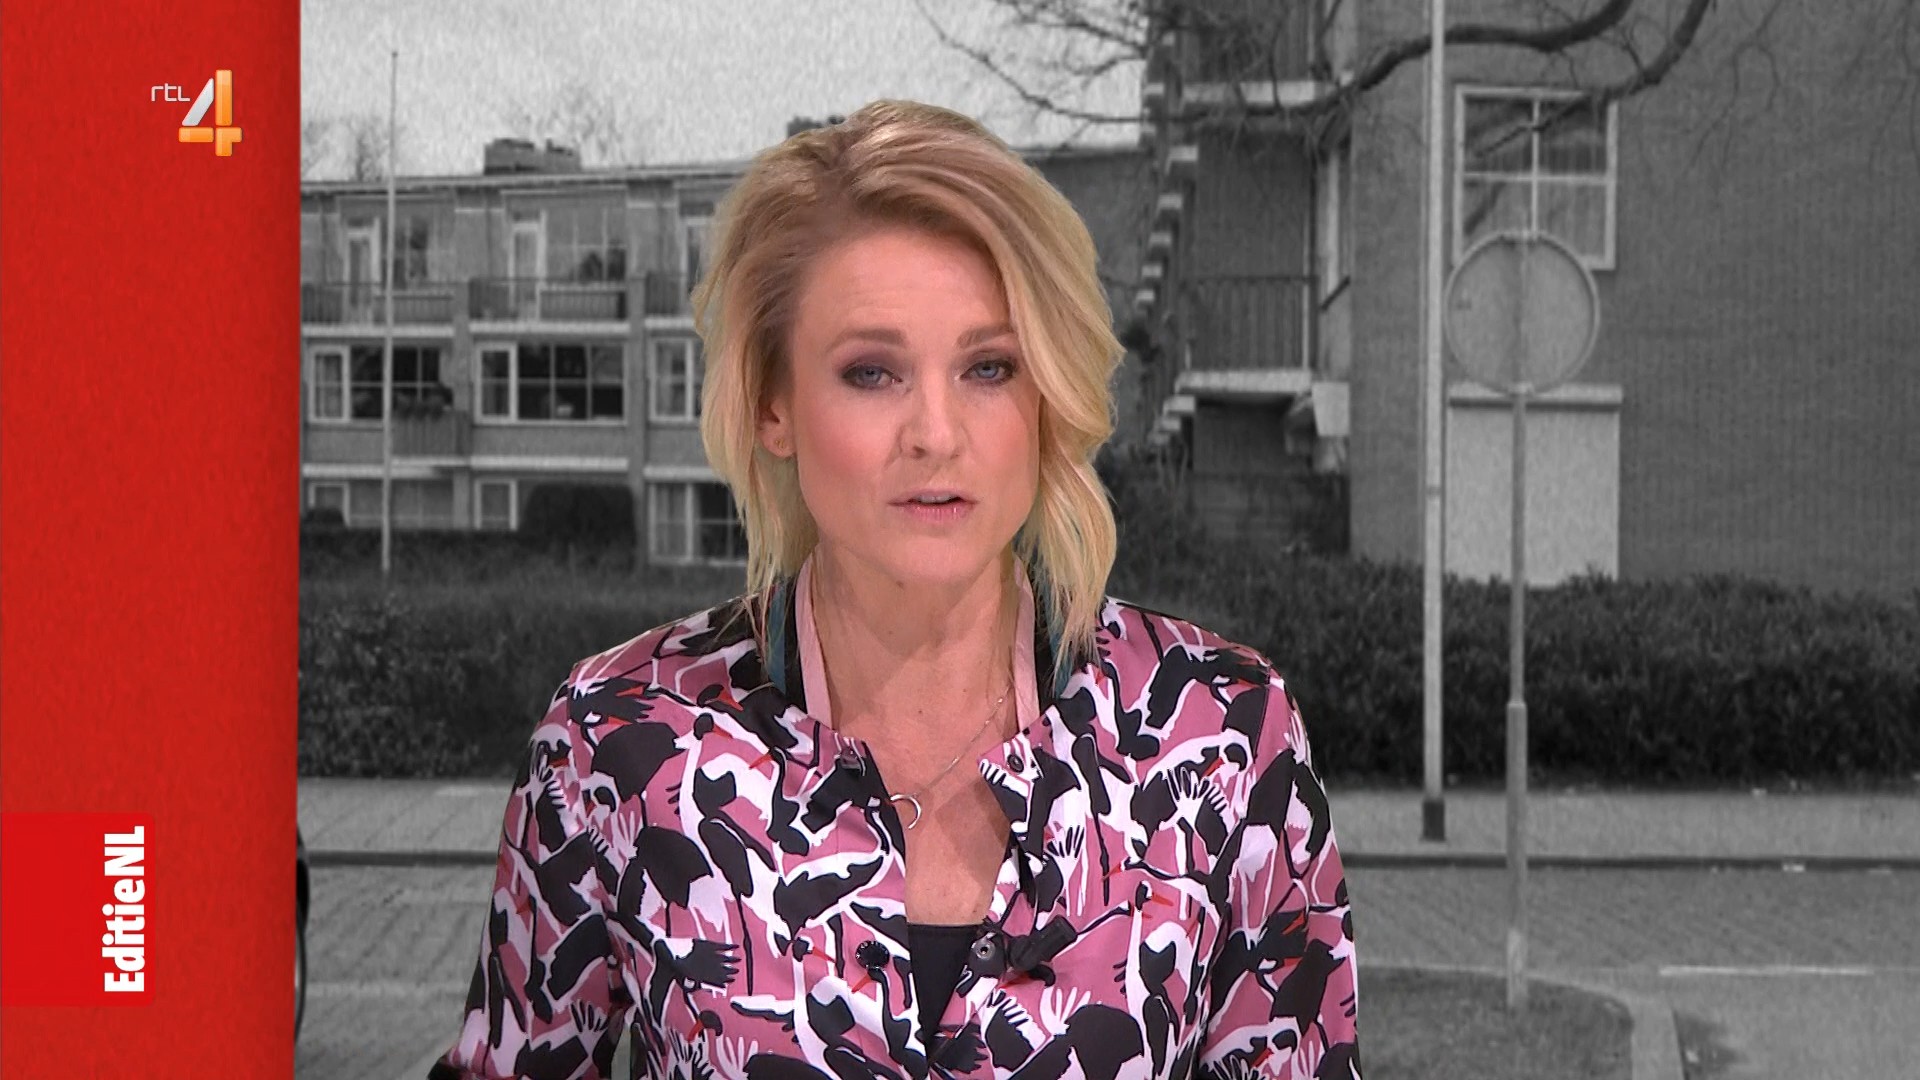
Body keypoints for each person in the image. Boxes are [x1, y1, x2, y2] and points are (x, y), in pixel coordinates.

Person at [430, 99, 1360, 1080]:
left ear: (1046, 393)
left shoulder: (1222, 734)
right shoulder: (618, 740)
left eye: (988, 367)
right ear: (774, 404)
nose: (936, 434)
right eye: (872, 372)